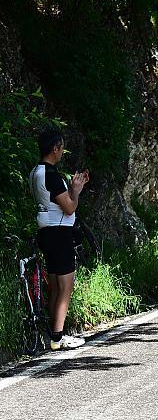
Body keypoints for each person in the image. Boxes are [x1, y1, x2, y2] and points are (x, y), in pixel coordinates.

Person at [29, 128, 89, 350]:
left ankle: (52, 337)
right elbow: (69, 207)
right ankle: (58, 337)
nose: (62, 152)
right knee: (65, 286)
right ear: (55, 148)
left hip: (46, 233)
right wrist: (76, 189)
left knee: (54, 286)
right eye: (61, 147)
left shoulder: (36, 171)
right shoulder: (52, 175)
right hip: (59, 233)